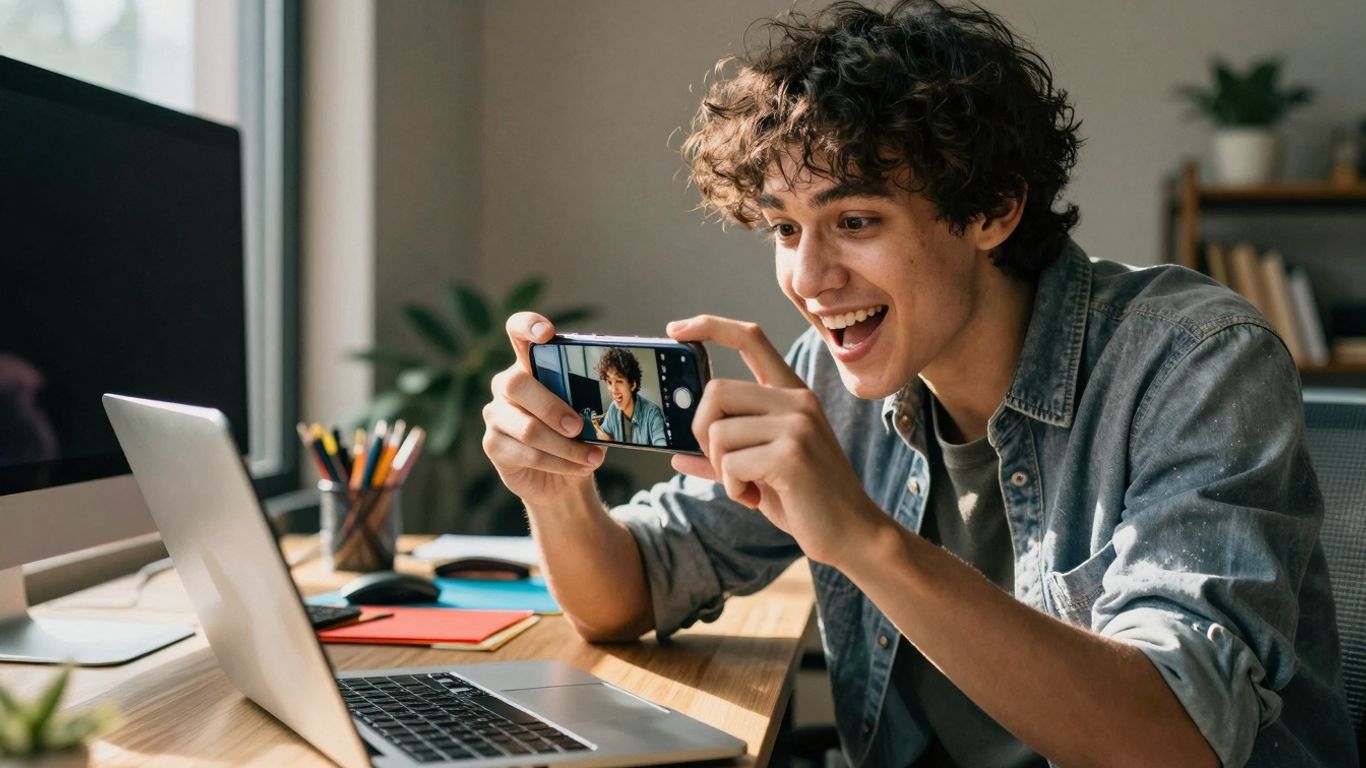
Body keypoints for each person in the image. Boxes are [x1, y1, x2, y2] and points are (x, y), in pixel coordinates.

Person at [481, 1, 1355, 765]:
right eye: (785, 229)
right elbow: (629, 592)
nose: (810, 279)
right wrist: (556, 492)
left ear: (993, 209)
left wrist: (861, 537)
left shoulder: (1195, 360)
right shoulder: (833, 374)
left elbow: (1174, 746)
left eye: (855, 220)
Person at [589, 347, 667, 447]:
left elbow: (662, 449)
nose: (613, 389)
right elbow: (603, 433)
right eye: (609, 382)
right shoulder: (613, 409)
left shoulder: (653, 415)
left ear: (632, 385)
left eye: (619, 381)